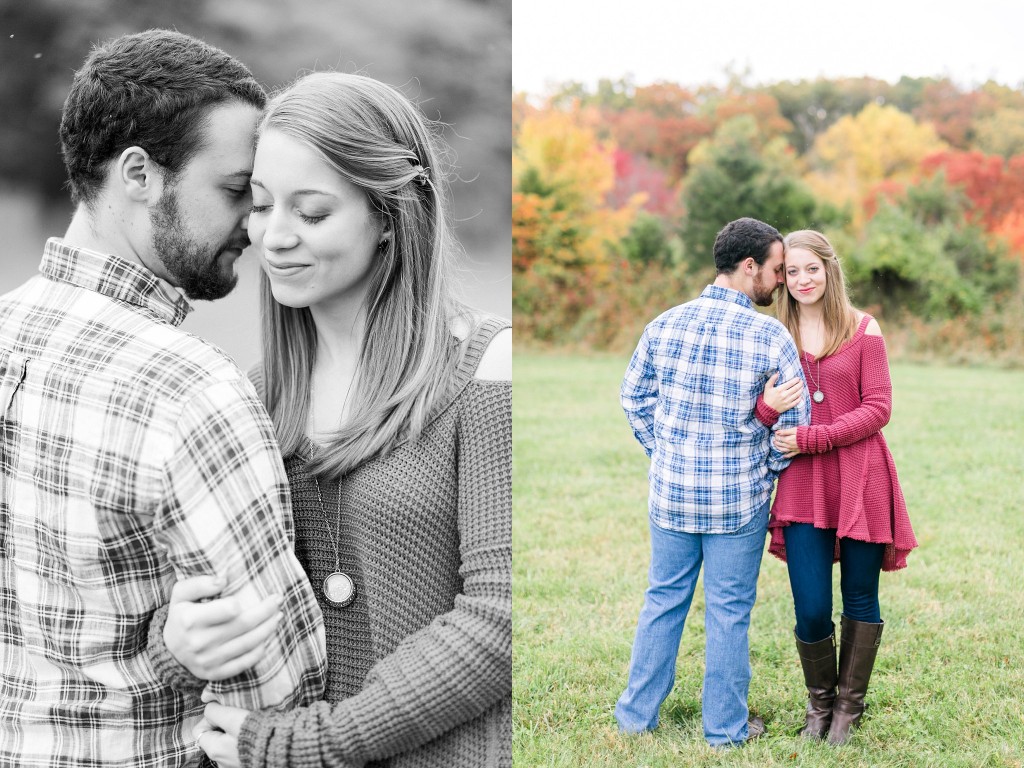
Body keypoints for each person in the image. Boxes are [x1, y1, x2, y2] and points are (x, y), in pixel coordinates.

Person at [146, 72, 512, 768]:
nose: (274, 237)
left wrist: (323, 741)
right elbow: (213, 594)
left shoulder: (490, 370)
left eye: (311, 213)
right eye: (259, 206)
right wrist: (179, 647)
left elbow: (501, 618)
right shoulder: (245, 398)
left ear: (388, 216)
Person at [0, 30, 327, 768]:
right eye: (235, 190)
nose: (254, 226)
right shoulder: (190, 389)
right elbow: (277, 678)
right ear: (140, 174)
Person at [615, 217, 811, 748]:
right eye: (774, 270)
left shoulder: (664, 324)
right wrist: (763, 467)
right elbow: (795, 425)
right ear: (749, 268)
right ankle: (724, 729)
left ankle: (635, 717)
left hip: (672, 494)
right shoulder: (771, 335)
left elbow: (633, 400)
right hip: (737, 500)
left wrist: (668, 452)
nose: (779, 282)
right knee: (729, 612)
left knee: (663, 599)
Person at [756, 229, 917, 745]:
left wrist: (812, 436)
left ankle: (848, 709)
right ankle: (818, 704)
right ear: (781, 278)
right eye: (792, 271)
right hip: (803, 485)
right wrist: (768, 411)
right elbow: (759, 412)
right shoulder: (771, 334)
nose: (803, 280)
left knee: (860, 598)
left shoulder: (863, 330)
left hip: (861, 478)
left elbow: (879, 409)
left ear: (830, 270)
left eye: (812, 269)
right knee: (810, 606)